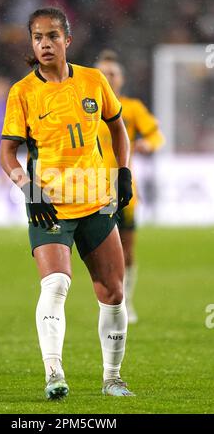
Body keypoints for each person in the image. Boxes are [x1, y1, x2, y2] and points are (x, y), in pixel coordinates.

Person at [0, 8, 135, 399]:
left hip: (95, 202)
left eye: (52, 36)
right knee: (56, 283)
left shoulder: (93, 81)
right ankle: (53, 372)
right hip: (49, 205)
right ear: (32, 43)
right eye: (38, 37)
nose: (45, 43)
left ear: (67, 41)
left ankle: (112, 378)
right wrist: (27, 187)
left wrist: (122, 171)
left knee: (112, 293)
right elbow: (7, 153)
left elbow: (118, 128)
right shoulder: (22, 92)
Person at [96, 50, 165, 323]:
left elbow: (156, 134)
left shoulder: (132, 108)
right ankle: (109, 301)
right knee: (101, 252)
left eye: (112, 73)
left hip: (123, 190)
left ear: (121, 79)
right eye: (103, 73)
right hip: (94, 189)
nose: (108, 77)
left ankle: (127, 301)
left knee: (127, 251)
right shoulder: (85, 106)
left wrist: (149, 144)